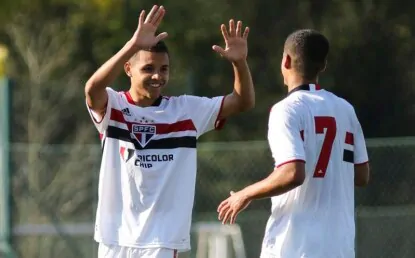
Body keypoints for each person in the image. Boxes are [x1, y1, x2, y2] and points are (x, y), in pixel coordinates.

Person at [84, 5, 254, 258]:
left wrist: (240, 63)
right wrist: (132, 45)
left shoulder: (185, 110)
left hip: (161, 240)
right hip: (114, 237)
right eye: (148, 68)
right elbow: (91, 89)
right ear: (129, 69)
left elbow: (242, 102)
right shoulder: (114, 106)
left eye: (164, 69)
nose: (157, 76)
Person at [217, 29, 370, 258]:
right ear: (323, 65)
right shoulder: (345, 109)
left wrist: (244, 194)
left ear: (285, 61)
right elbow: (361, 176)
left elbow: (292, 173)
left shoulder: (286, 110)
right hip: (340, 247)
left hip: (295, 247)